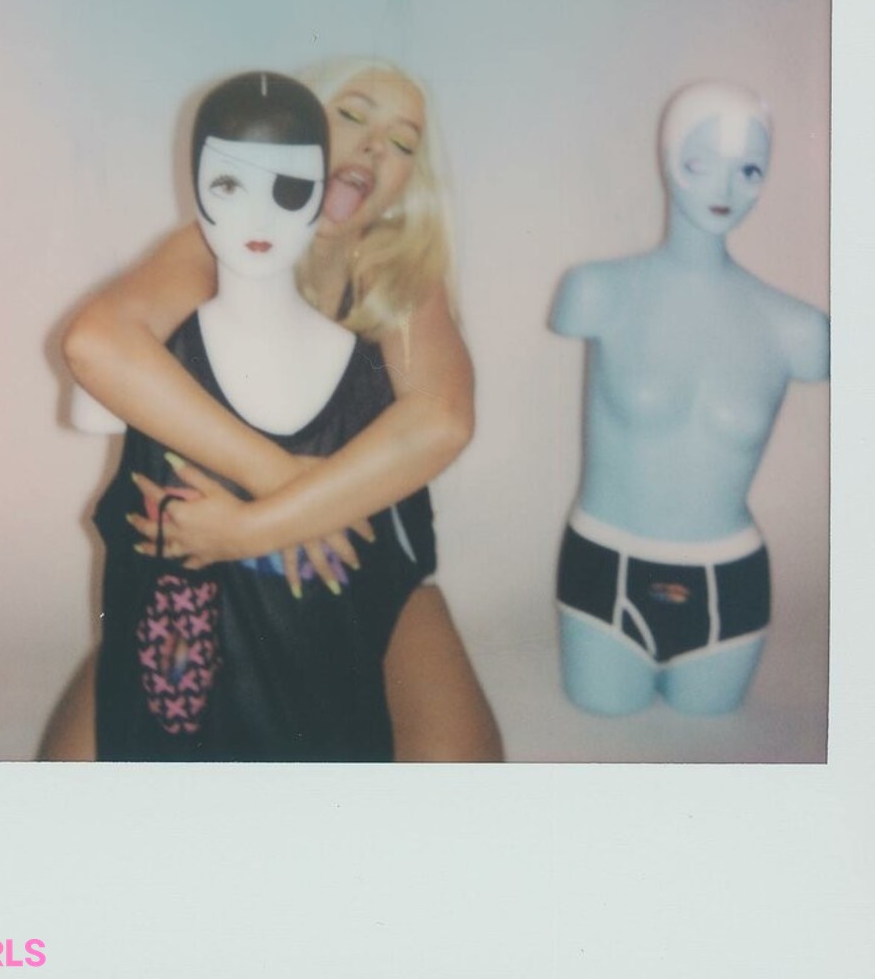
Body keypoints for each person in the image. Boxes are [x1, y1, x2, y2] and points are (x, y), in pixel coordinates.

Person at [41, 57, 502, 761]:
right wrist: (279, 481)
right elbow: (98, 344)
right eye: (354, 115)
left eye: (403, 142)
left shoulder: (401, 272)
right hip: (199, 563)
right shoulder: (209, 246)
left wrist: (254, 528)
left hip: (363, 562)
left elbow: (442, 420)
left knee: (458, 785)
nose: (375, 147)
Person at [549, 80, 829, 716]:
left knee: (707, 744)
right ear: (667, 156)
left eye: (749, 170)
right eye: (701, 164)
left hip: (731, 584)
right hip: (604, 568)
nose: (725, 190)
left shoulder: (800, 329)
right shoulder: (594, 292)